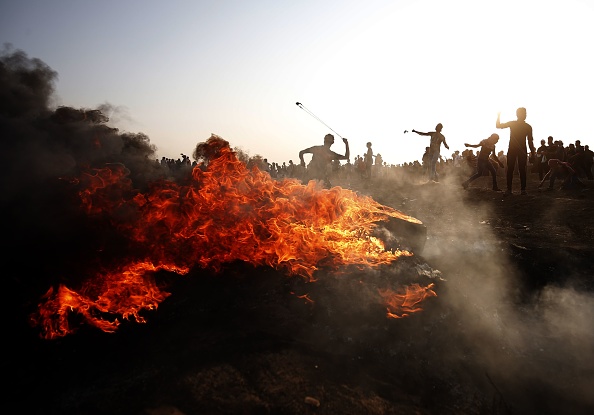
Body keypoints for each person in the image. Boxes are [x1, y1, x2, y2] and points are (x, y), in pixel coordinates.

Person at [496, 108, 536, 195]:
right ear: (517, 114)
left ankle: (522, 190)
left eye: (525, 113)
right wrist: (498, 116)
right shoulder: (515, 124)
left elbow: (530, 141)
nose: (525, 115)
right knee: (511, 169)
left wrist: (533, 153)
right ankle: (510, 190)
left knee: (521, 169)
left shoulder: (527, 126)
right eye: (523, 113)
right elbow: (498, 126)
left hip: (519, 150)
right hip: (514, 150)